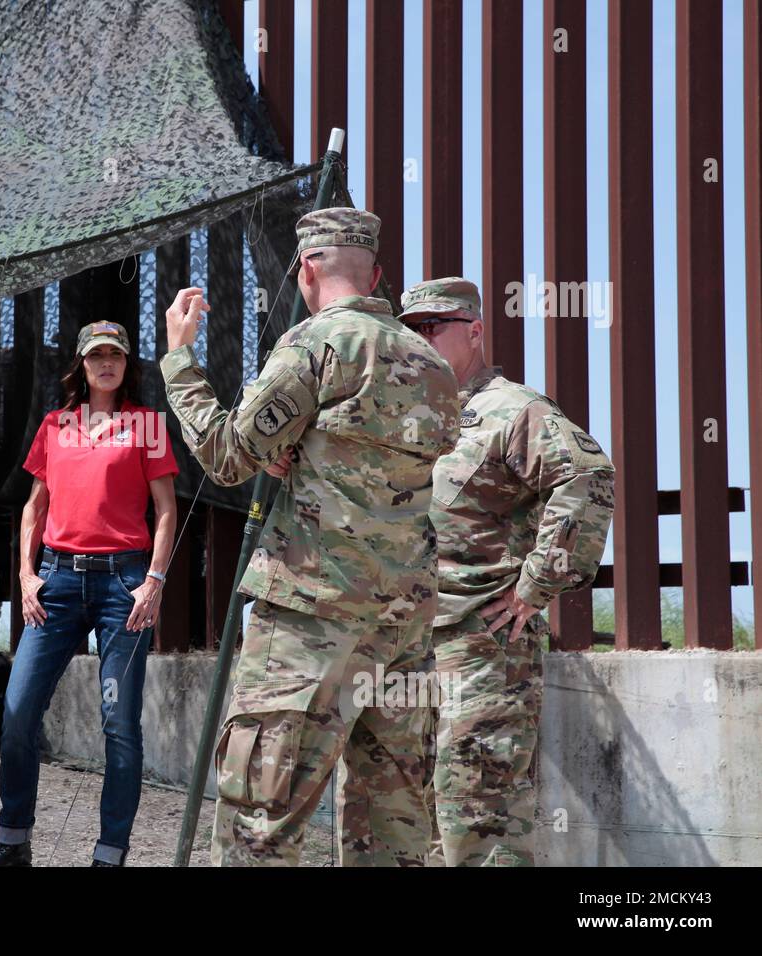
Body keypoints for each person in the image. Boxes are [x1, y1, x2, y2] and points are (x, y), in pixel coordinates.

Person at [160, 209, 459, 866]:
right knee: (395, 825)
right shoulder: (432, 363)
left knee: (262, 818)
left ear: (307, 269)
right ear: (377, 274)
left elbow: (228, 457)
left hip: (308, 615)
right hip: (403, 625)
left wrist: (180, 358)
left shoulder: (316, 345)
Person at [393, 277, 614, 866]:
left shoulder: (511, 409)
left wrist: (537, 585)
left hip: (483, 646)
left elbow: (587, 479)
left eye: (433, 327)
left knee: (479, 815)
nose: (420, 339)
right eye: (410, 330)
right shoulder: (404, 416)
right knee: (415, 816)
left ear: (474, 331)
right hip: (407, 649)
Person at [0, 321, 179, 868]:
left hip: (124, 586)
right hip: (56, 584)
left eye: (115, 354)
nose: (105, 363)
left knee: (120, 724)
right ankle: (12, 842)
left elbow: (166, 510)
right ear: (82, 366)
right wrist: (25, 574)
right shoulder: (55, 424)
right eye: (95, 356)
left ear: (127, 364)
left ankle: (110, 855)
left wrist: (154, 581)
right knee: (17, 713)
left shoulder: (148, 426)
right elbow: (33, 509)